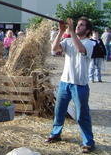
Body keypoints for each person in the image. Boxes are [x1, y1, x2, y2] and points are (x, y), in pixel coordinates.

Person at [46, 17, 95, 153]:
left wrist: (71, 31)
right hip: (64, 82)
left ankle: (88, 142)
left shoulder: (90, 43)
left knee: (81, 115)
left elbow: (80, 49)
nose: (78, 27)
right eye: (77, 25)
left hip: (80, 85)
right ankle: (55, 134)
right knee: (59, 111)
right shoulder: (67, 41)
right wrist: (61, 31)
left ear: (88, 30)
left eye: (81, 25)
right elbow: (54, 48)